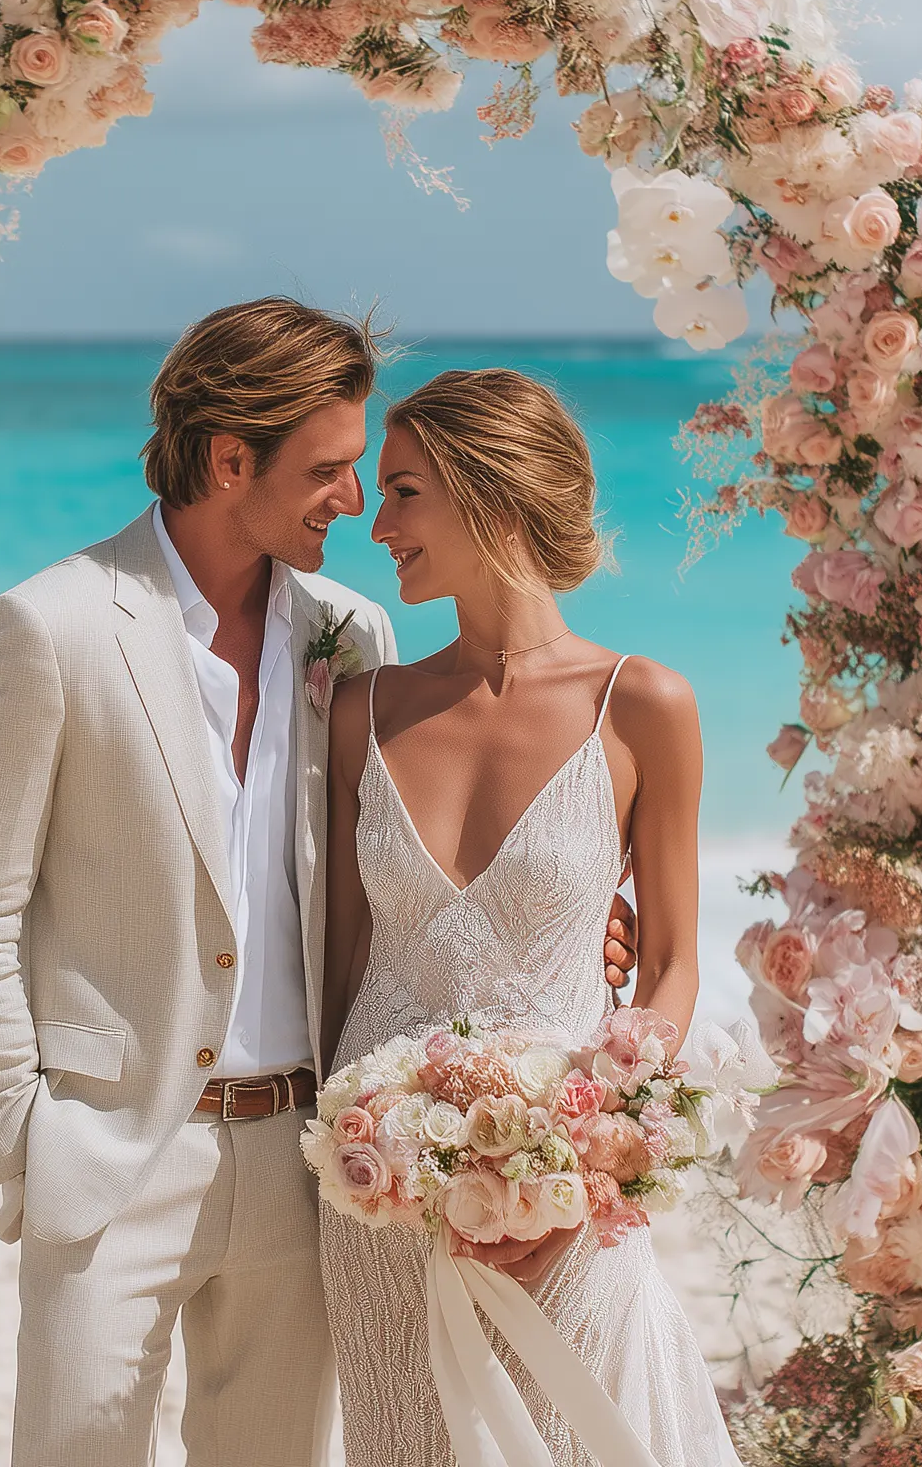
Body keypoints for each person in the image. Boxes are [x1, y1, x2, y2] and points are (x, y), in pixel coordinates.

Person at [320, 366, 742, 1467]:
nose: (377, 524)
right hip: (377, 1189)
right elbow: (336, 961)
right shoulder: (358, 711)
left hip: (560, 1193)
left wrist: (595, 1162)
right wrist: (332, 1153)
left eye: (404, 492)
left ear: (489, 498)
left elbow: (670, 966)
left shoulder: (641, 704)